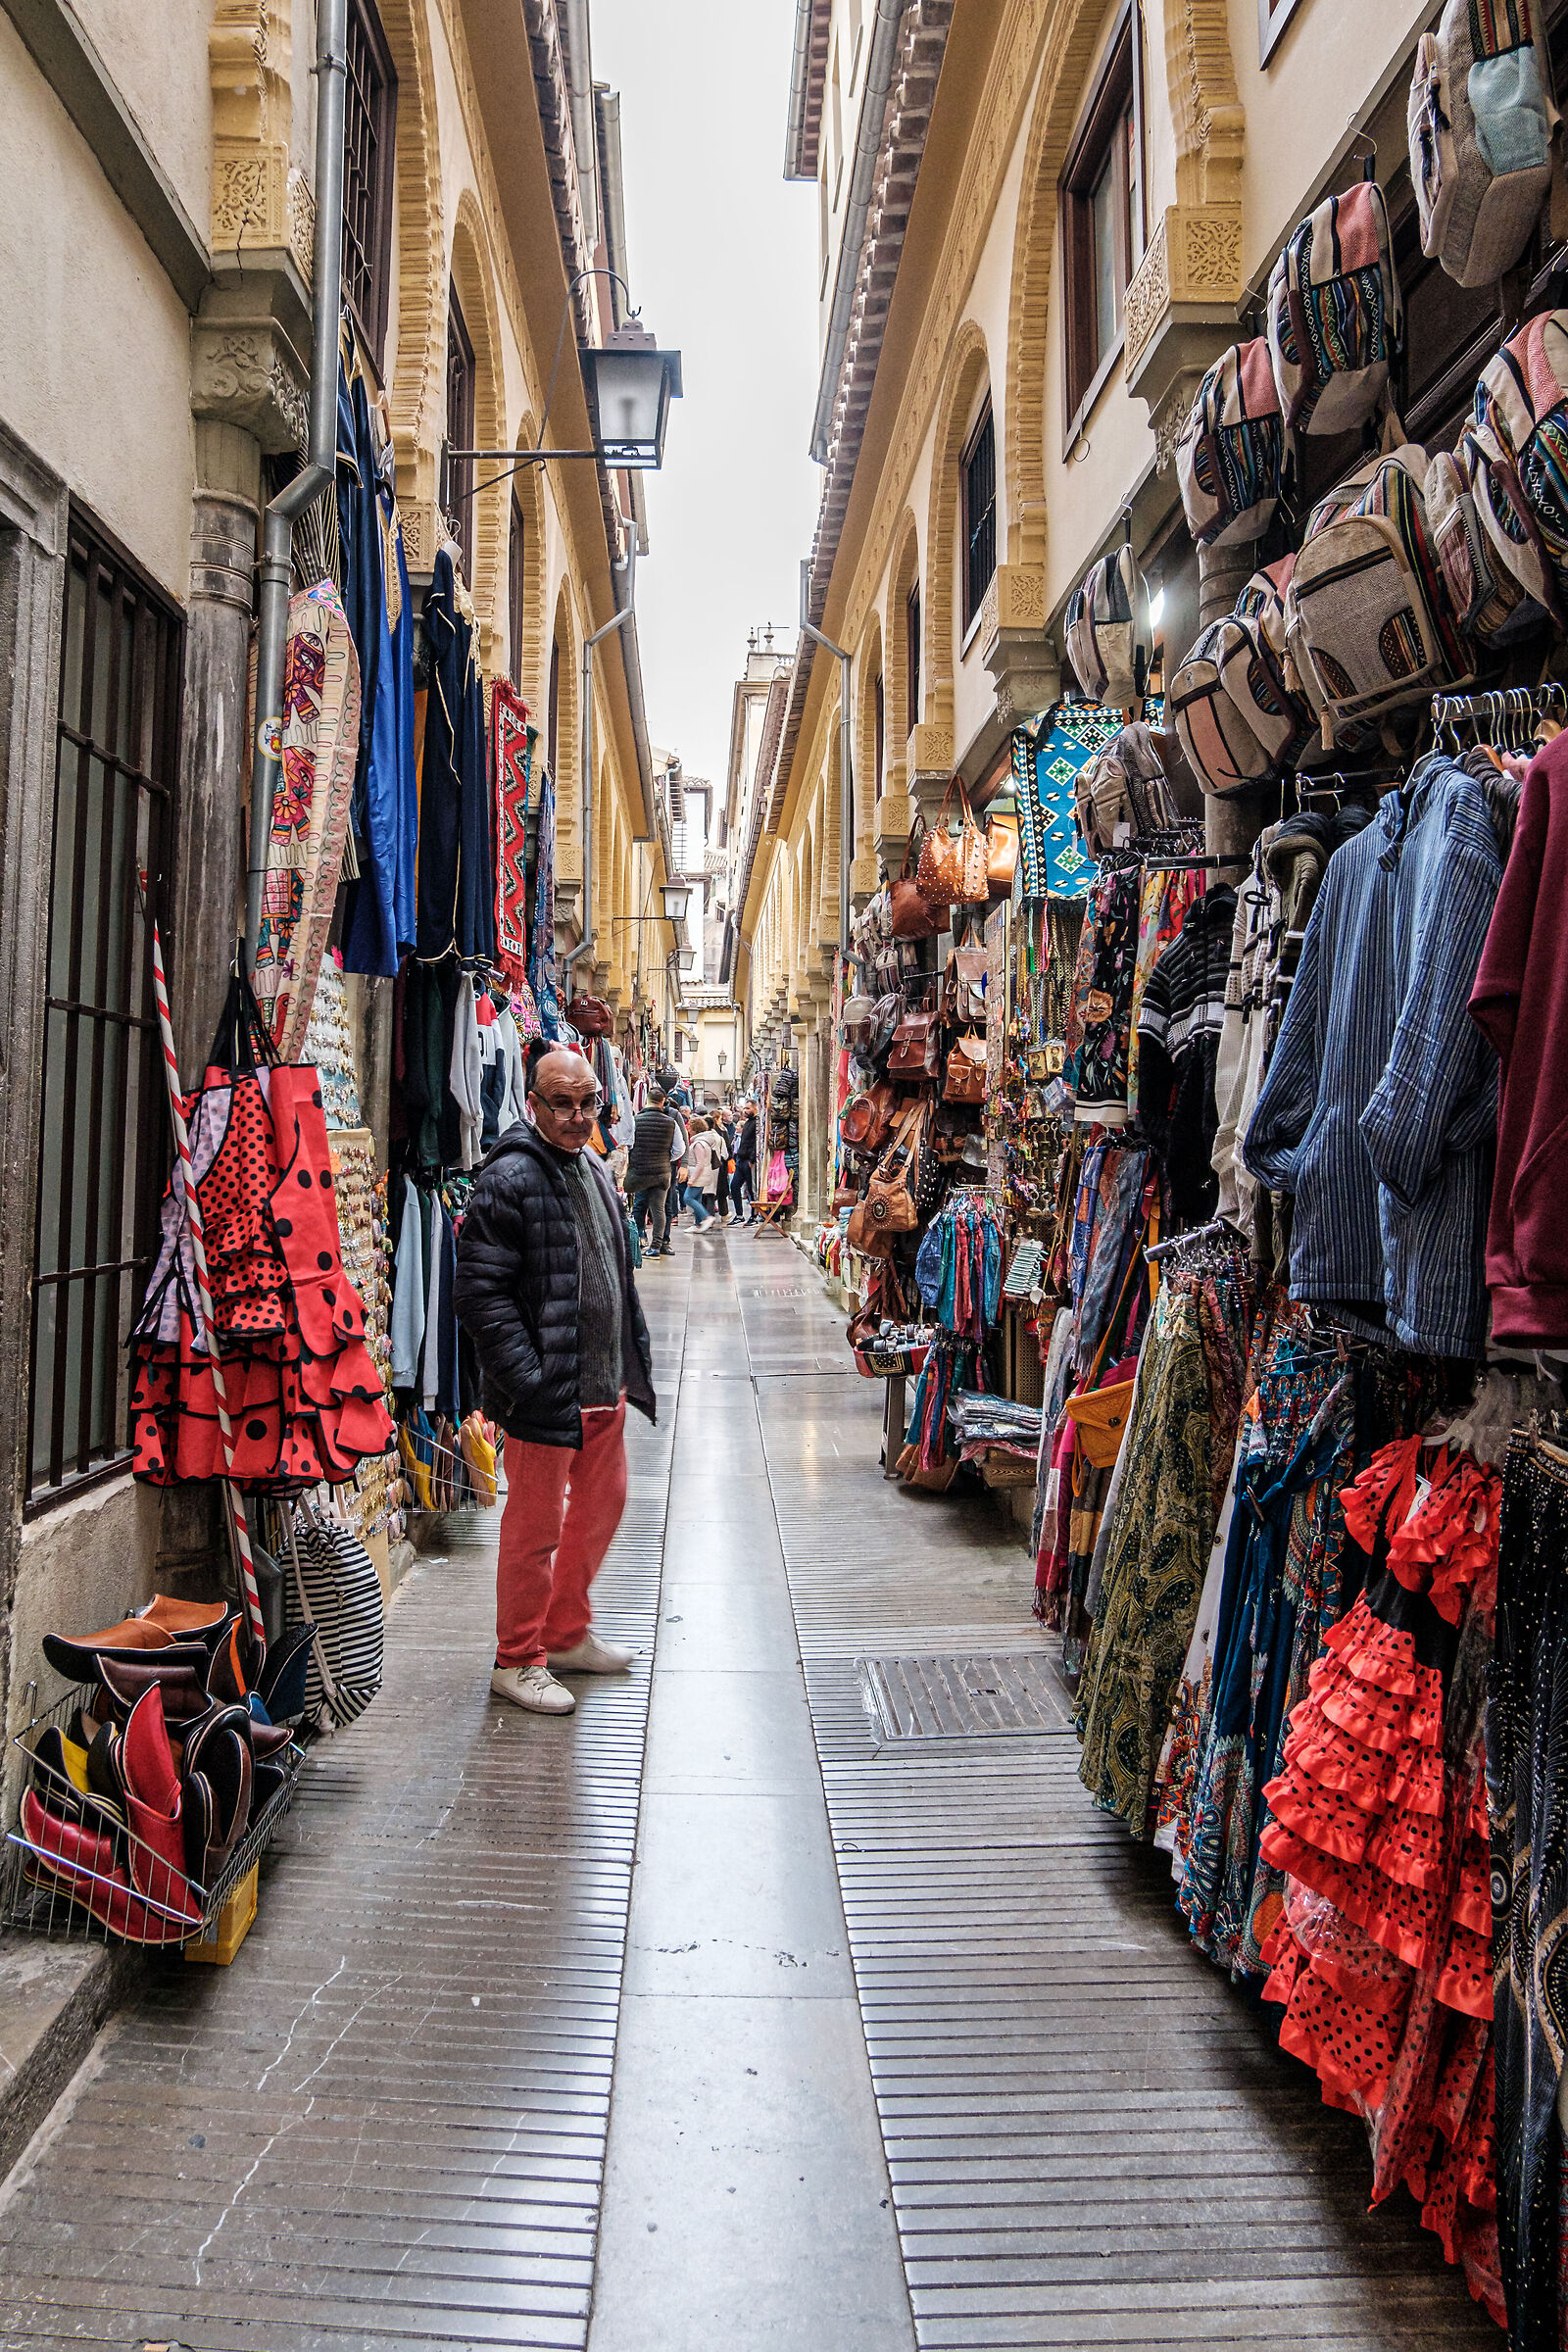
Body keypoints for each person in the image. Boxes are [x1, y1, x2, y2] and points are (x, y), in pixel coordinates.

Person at [453, 1047, 656, 1715]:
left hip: (601, 1387)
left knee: (603, 1508)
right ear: (532, 1104)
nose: (575, 1116)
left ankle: (564, 1634)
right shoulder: (506, 1177)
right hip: (548, 1393)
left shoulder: (594, 1165)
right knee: (535, 1529)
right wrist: (528, 1378)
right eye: (560, 1104)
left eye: (586, 1103)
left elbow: (610, 1271)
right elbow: (481, 1294)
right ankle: (517, 1658)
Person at [624, 1086, 677, 1255]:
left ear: (646, 1099)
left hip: (639, 1171)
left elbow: (628, 1143)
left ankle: (638, 1239)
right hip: (662, 1172)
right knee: (659, 1209)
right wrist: (666, 1159)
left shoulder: (634, 1120)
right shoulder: (671, 1122)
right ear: (663, 1102)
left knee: (638, 1206)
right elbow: (679, 1149)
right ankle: (655, 1246)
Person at [680, 1117, 720, 1229]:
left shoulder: (698, 1143)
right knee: (696, 1198)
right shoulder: (703, 1141)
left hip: (698, 1176)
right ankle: (698, 1224)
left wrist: (692, 1179)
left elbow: (700, 1163)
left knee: (688, 1198)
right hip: (701, 1175)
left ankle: (706, 1217)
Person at [731, 1101, 758, 1224]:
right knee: (734, 1186)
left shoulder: (756, 1123)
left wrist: (752, 1159)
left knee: (751, 1190)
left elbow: (756, 1142)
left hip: (748, 1160)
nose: (745, 1111)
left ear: (755, 1108)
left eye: (748, 1108)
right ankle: (739, 1215)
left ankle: (753, 1216)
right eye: (745, 1108)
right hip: (741, 1160)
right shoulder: (747, 1123)